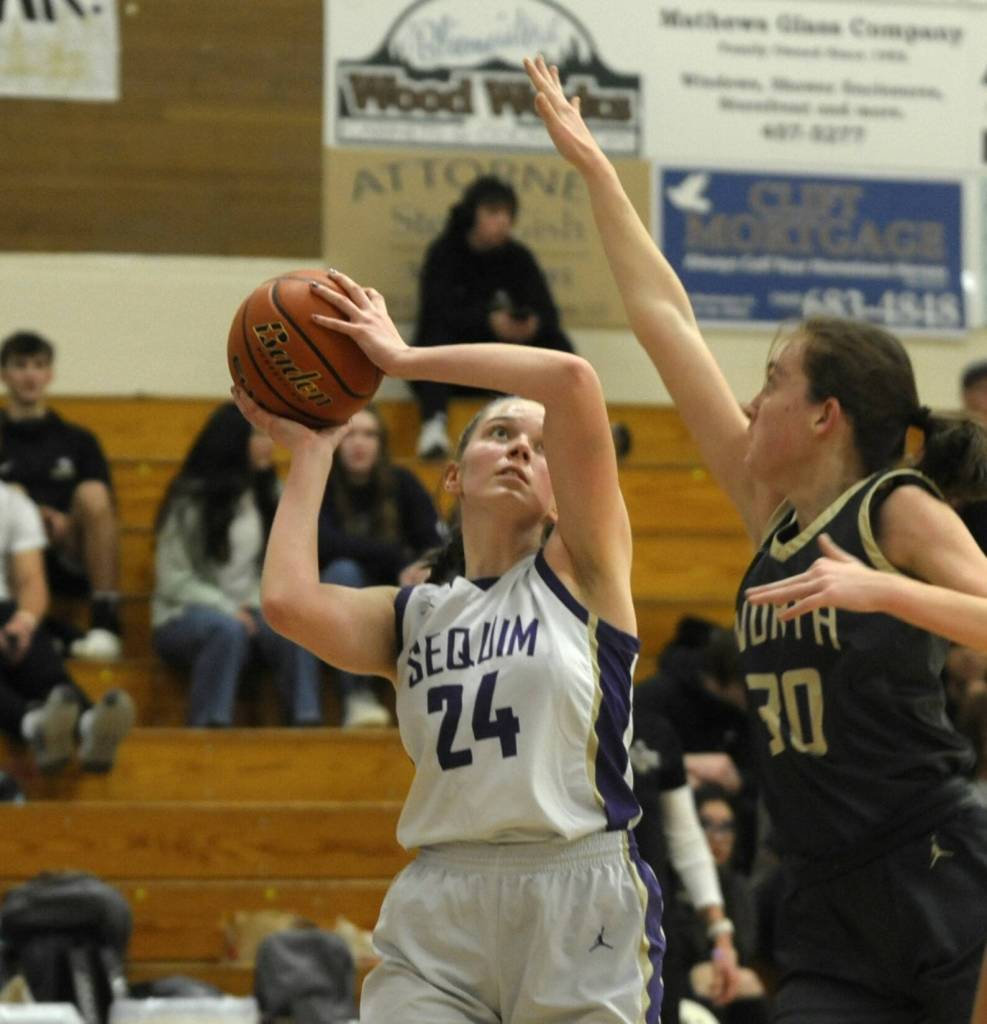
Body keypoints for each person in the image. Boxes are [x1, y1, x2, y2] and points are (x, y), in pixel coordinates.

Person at [525, 53, 987, 1023]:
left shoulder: (894, 511)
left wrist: (886, 591)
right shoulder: (768, 509)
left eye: (775, 380)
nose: (749, 395)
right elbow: (663, 318)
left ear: (825, 416)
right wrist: (601, 175)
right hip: (822, 890)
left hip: (938, 870)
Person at [233, 266, 665, 1022]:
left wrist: (401, 361)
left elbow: (571, 378)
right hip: (442, 900)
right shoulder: (414, 616)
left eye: (538, 444)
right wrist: (312, 454)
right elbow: (287, 601)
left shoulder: (588, 575)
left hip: (577, 887)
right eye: (499, 434)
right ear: (452, 477)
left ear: (564, 492)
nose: (521, 450)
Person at [151, 403, 322, 728]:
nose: (268, 444)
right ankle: (209, 729)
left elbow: (288, 567)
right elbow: (173, 580)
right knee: (225, 630)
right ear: (232, 442)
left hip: (253, 609)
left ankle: (306, 722)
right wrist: (227, 608)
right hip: (182, 615)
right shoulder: (189, 500)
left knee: (297, 628)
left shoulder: (273, 494)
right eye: (258, 435)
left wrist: (258, 607)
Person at [410, 174, 575, 459]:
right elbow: (436, 311)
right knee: (434, 336)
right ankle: (433, 427)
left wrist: (531, 326)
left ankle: (577, 423)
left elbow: (548, 313)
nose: (503, 222)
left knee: (558, 343)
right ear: (473, 214)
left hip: (506, 363)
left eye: (508, 215)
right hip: (458, 365)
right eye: (493, 213)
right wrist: (488, 322)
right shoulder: (444, 253)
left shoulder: (519, 257)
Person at [315, 404, 441, 728]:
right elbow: (324, 545)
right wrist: (398, 557)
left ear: (381, 444)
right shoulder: (320, 484)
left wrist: (421, 566)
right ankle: (357, 696)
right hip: (336, 596)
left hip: (393, 594)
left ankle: (434, 698)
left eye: (369, 435)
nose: (359, 443)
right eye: (350, 434)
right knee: (344, 571)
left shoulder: (403, 482)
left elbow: (431, 540)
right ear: (336, 442)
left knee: (426, 586)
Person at [0, 331, 124, 661]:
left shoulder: (78, 440)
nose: (29, 374)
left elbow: (104, 510)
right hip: (9, 551)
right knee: (9, 496)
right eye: (20, 365)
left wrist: (65, 522)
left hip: (69, 548)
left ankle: (105, 619)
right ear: (4, 374)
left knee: (93, 493)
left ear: (50, 374)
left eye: (38, 365)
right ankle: (29, 627)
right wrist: (24, 513)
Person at [0, 479, 133, 773]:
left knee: (31, 639)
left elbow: (31, 581)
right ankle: (36, 725)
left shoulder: (10, 502)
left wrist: (22, 624)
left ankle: (87, 723)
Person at [630, 702, 740, 1024]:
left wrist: (720, 934)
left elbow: (686, 838)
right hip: (585, 927)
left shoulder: (653, 729)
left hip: (654, 931)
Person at [671, 786, 770, 1024]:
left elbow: (745, 947)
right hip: (678, 978)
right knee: (704, 978)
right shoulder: (669, 882)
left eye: (726, 827)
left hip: (724, 973)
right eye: (707, 824)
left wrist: (719, 958)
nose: (718, 836)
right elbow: (676, 948)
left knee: (747, 981)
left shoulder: (737, 886)